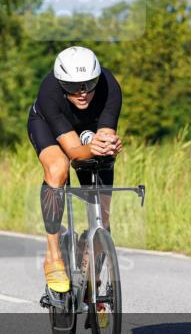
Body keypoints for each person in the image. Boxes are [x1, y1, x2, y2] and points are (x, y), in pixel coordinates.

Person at [27, 46, 122, 294]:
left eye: (88, 84)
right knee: (58, 169)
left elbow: (104, 136)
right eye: (72, 87)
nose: (82, 93)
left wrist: (108, 144)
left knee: (104, 213)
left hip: (88, 129)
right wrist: (96, 147)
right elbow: (74, 152)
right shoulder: (49, 91)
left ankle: (89, 259)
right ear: (61, 84)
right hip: (49, 127)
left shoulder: (110, 87)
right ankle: (53, 255)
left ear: (97, 78)